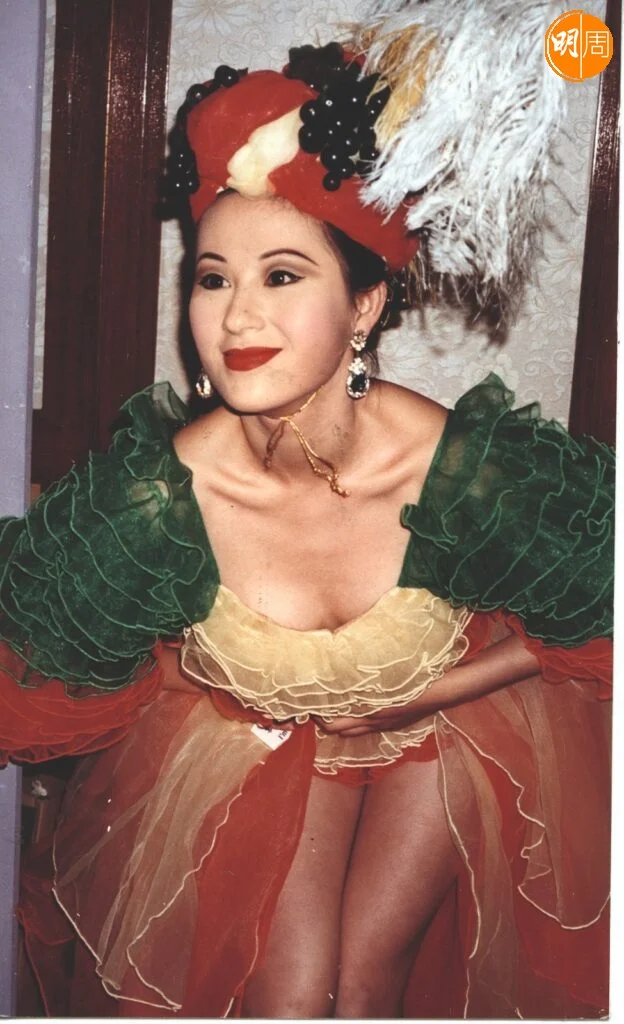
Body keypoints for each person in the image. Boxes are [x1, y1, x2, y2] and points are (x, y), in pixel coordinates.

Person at [0, 14, 613, 1020]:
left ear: (363, 306)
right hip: (269, 738)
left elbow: (600, 613)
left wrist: (428, 693)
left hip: (447, 722)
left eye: (282, 275)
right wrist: (209, 676)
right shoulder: (158, 494)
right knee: (292, 1002)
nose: (237, 316)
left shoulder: (458, 465)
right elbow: (41, 667)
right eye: (213, 278)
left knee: (366, 984)